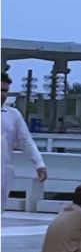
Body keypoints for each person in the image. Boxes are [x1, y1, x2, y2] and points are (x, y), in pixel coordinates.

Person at [1, 71, 47, 205]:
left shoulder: (13, 115)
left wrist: (39, 164)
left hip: (3, 172)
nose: (2, 94)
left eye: (5, 91)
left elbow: (26, 141)